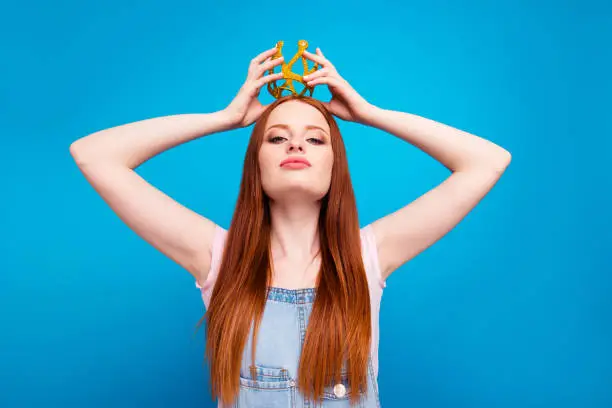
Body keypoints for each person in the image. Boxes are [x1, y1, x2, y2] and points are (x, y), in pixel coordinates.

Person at [70, 45, 511, 408]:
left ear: (335, 166)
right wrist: (223, 119)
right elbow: (95, 154)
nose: (296, 143)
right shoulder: (219, 257)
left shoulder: (369, 254)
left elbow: (487, 162)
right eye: (277, 136)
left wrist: (368, 113)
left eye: (316, 138)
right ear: (255, 164)